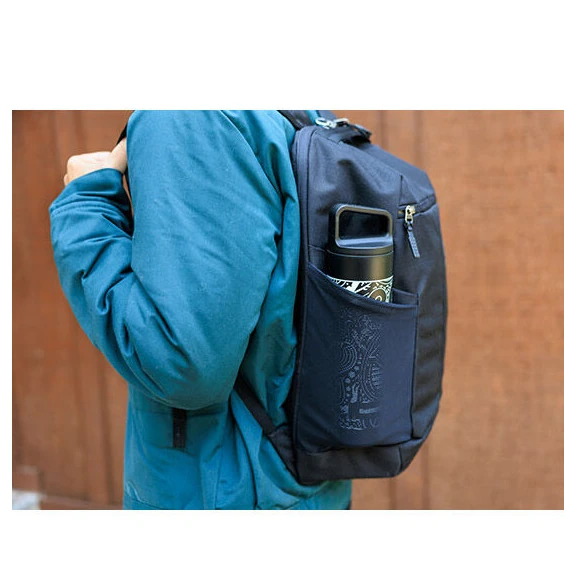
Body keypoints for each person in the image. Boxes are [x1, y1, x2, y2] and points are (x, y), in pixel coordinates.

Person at [49, 110, 353, 510]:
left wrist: (85, 206)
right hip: (300, 479)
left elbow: (182, 365)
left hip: (224, 490)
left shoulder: (191, 118)